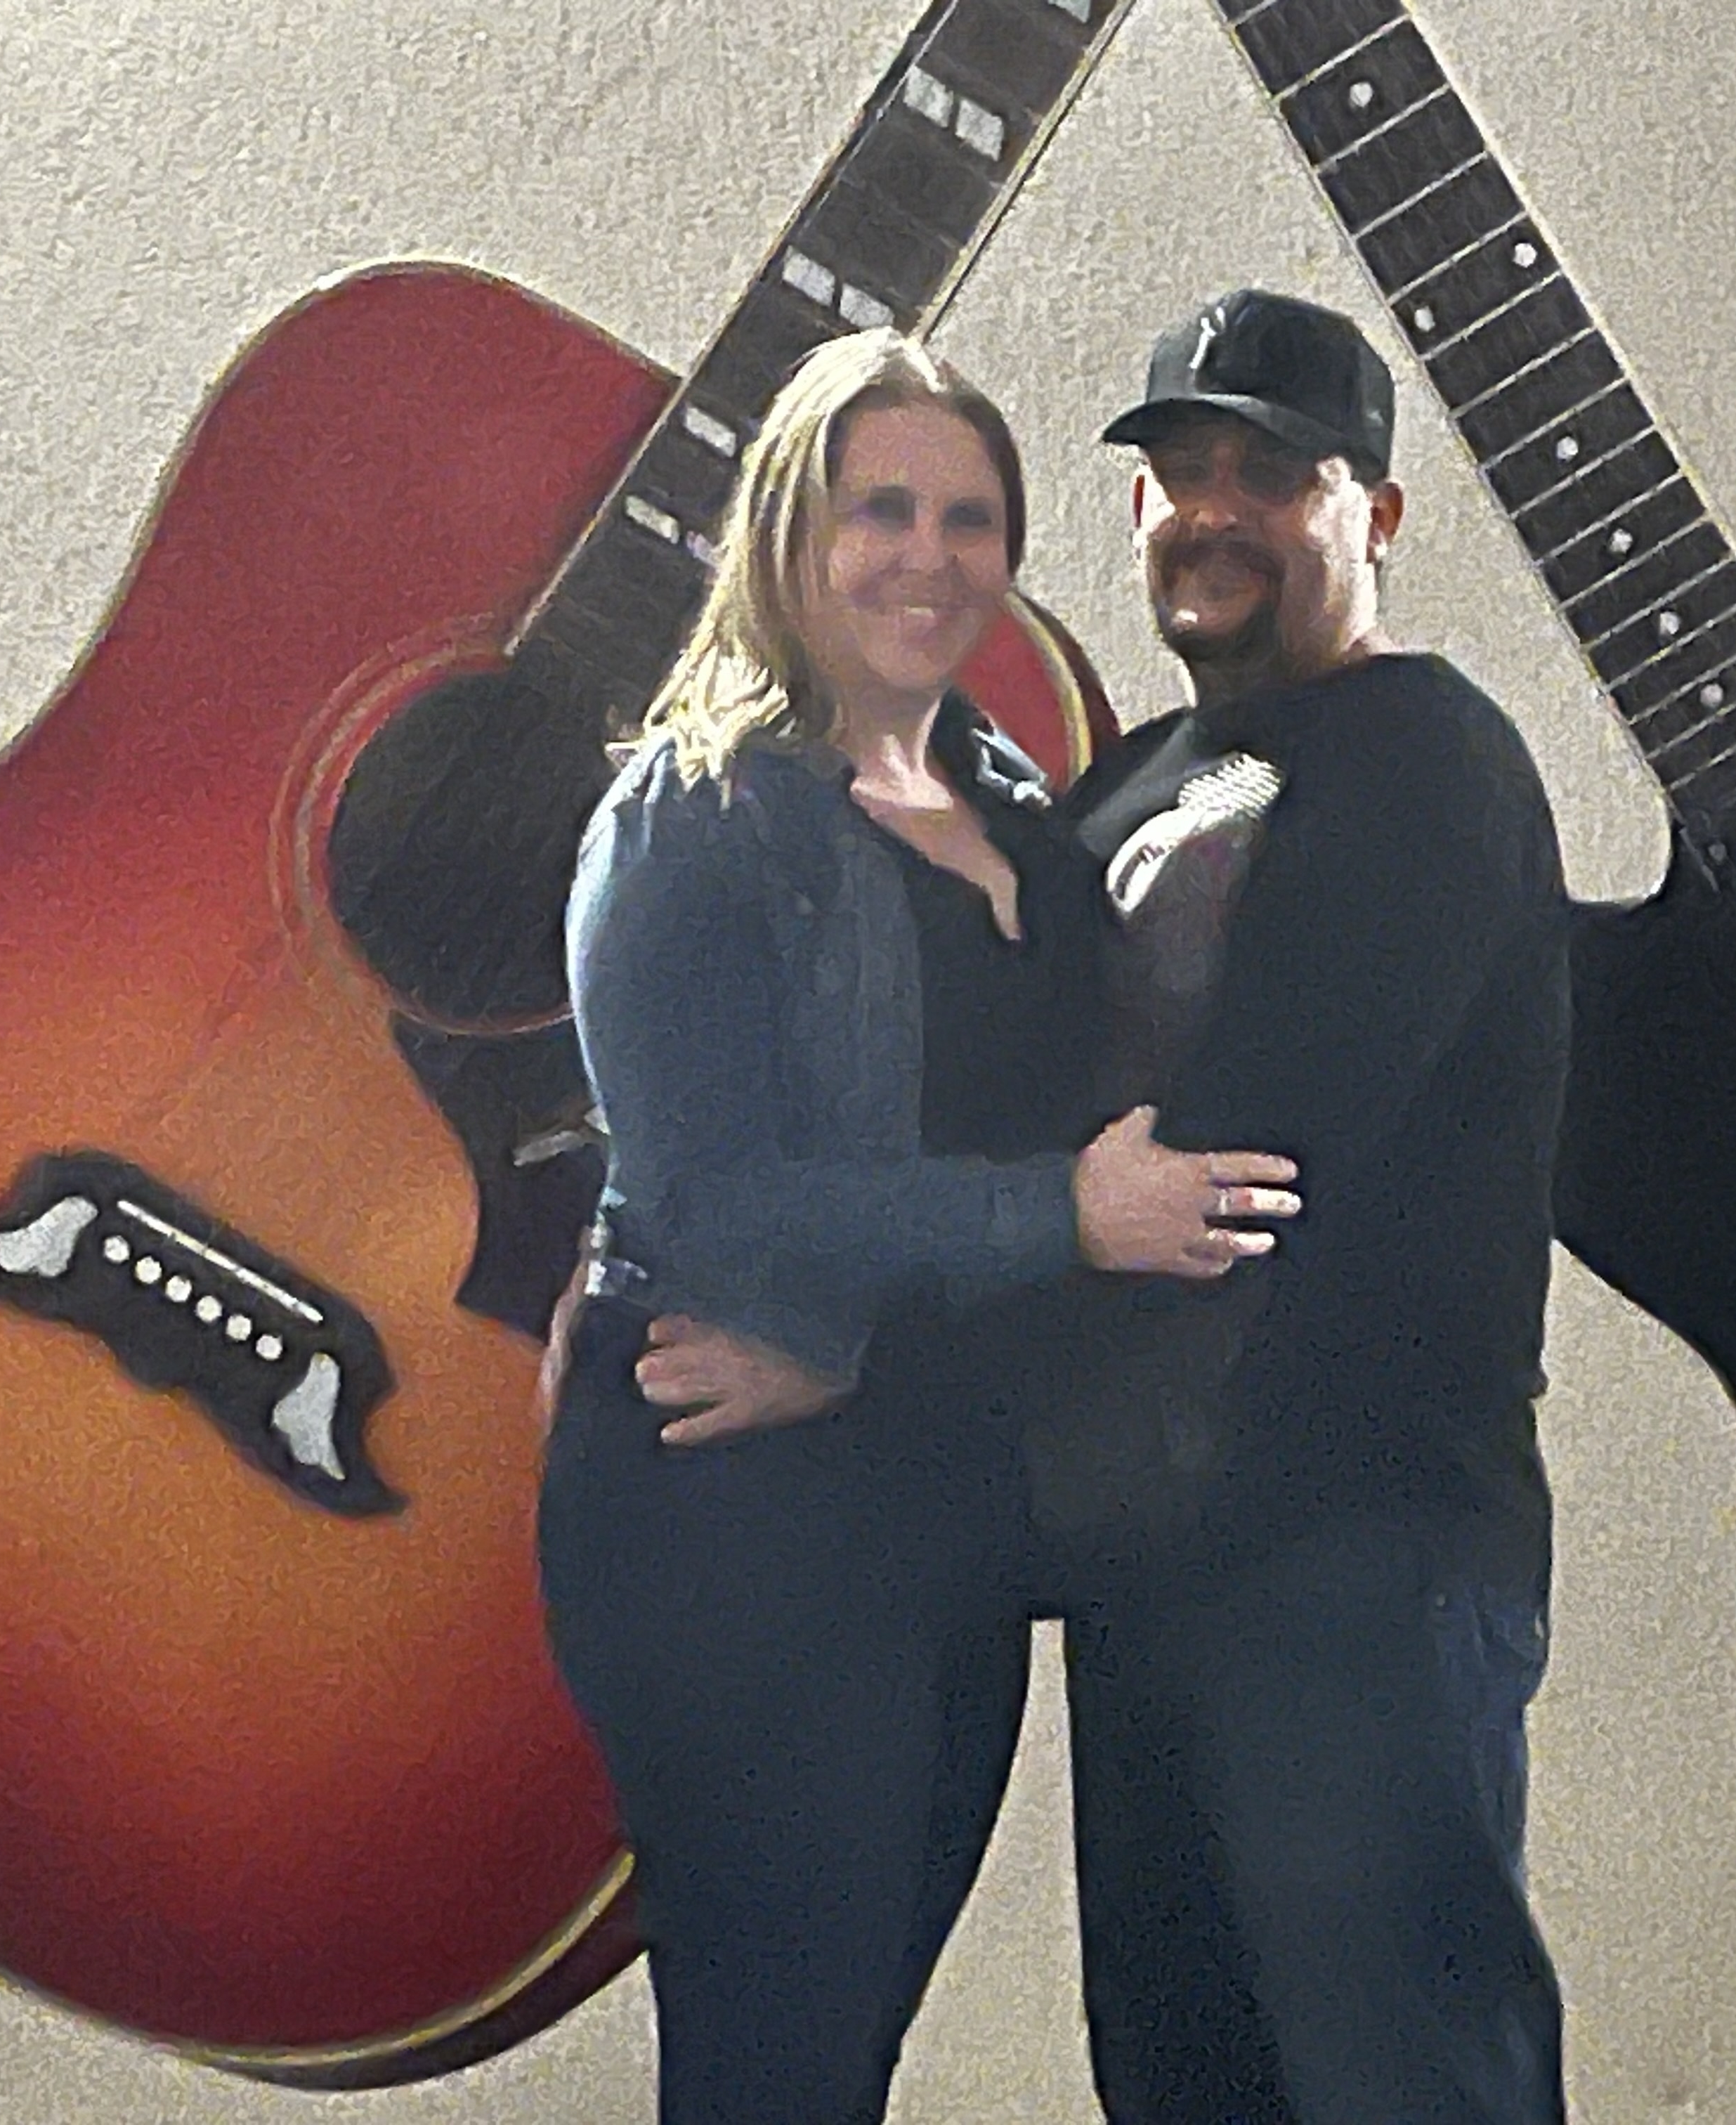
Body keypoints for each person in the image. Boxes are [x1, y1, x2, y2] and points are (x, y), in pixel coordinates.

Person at [639, 290, 1576, 2124]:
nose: (1211, 509)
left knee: (1408, 2088)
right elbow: (988, 1110)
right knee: (1182, 2088)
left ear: (1378, 515)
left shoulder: (1428, 762)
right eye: (1176, 472)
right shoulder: (1138, 781)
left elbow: (1232, 1173)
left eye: (1270, 474)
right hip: (1148, 1571)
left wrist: (857, 1353)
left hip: (1362, 1555)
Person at [534, 325, 1303, 2125]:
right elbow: (714, 1198)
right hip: (735, 1506)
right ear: (789, 529)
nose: (928, 556)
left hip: (925, 1493)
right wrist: (1063, 1219)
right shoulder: (692, 814)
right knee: (775, 2061)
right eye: (880, 509)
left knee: (849, 2047)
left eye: (970, 518)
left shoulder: (1017, 807)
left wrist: (868, 1354)